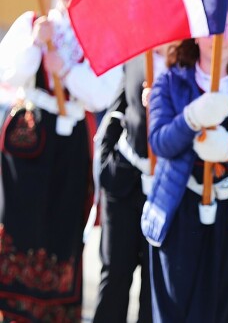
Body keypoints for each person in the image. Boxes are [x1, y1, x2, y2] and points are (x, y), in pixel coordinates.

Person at [0, 0, 122, 321]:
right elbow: (8, 74)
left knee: (63, 222)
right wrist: (34, 45)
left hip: (71, 145)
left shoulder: (100, 36)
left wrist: (65, 70)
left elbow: (103, 92)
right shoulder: (35, 23)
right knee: (18, 220)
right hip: (30, 139)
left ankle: (54, 307)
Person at [141, 0, 228, 322]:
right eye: (211, 27)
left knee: (224, 309)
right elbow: (160, 141)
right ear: (196, 34)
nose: (219, 35)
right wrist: (190, 118)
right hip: (180, 206)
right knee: (175, 307)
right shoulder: (171, 82)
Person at [93, 44, 170, 322]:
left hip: (165, 190)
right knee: (114, 277)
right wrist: (106, 163)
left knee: (154, 288)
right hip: (123, 180)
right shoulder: (138, 56)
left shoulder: (186, 64)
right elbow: (117, 110)